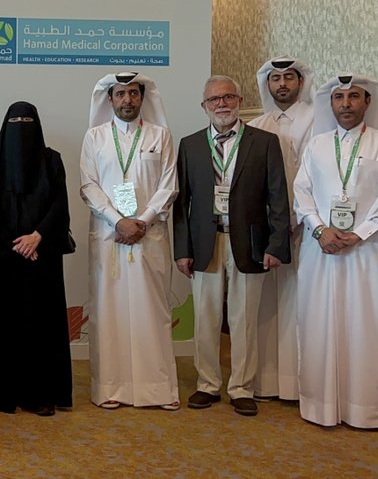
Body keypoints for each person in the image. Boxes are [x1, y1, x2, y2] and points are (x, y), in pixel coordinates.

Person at [173, 75, 289, 417]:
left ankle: (241, 387)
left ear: (239, 101)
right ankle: (207, 384)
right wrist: (183, 248)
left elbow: (278, 198)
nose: (221, 104)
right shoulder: (190, 144)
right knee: (205, 319)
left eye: (228, 98)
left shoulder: (265, 142)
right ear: (204, 106)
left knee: (244, 319)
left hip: (250, 243)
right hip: (206, 243)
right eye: (214, 100)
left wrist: (276, 244)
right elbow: (182, 204)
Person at [293, 74, 378, 429]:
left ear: (367, 102)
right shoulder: (318, 145)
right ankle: (320, 405)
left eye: (354, 97)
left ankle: (364, 410)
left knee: (365, 325)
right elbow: (302, 193)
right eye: (339, 98)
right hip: (321, 248)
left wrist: (358, 233)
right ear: (331, 104)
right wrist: (321, 229)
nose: (346, 104)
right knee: (319, 323)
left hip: (369, 251)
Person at [79, 72, 179, 411]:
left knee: (153, 310)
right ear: (110, 100)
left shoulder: (160, 136)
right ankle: (111, 387)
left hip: (149, 237)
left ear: (142, 97)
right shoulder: (94, 138)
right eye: (120, 94)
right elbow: (89, 185)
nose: (127, 100)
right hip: (109, 237)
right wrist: (118, 220)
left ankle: (158, 390)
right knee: (110, 312)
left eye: (133, 94)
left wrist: (142, 221)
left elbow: (169, 185)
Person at [0, 101, 73, 416]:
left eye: (27, 120)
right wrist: (13, 243)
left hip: (42, 257)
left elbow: (59, 205)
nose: (21, 125)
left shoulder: (51, 160)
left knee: (41, 325)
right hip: (3, 258)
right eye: (15, 120)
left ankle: (41, 393)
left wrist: (38, 237)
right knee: (4, 325)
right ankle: (4, 392)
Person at [247, 57, 314, 402]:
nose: (282, 84)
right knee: (266, 305)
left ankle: (299, 384)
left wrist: (301, 218)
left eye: (289, 77)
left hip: (307, 229)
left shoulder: (319, 120)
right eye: (275, 78)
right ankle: (268, 382)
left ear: (301, 82)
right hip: (269, 230)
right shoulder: (258, 123)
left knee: (298, 302)